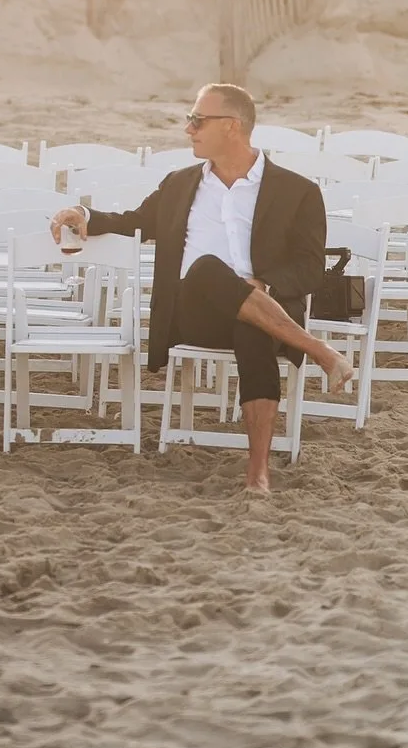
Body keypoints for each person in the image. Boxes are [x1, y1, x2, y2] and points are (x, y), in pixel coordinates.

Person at [50, 84, 354, 494]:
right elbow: (133, 222)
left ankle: (258, 473)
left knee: (253, 330)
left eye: (197, 120)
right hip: (195, 313)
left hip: (268, 311)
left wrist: (264, 283)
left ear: (231, 126)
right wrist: (82, 213)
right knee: (207, 269)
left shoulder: (297, 190)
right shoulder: (180, 184)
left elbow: (310, 267)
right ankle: (318, 350)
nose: (188, 129)